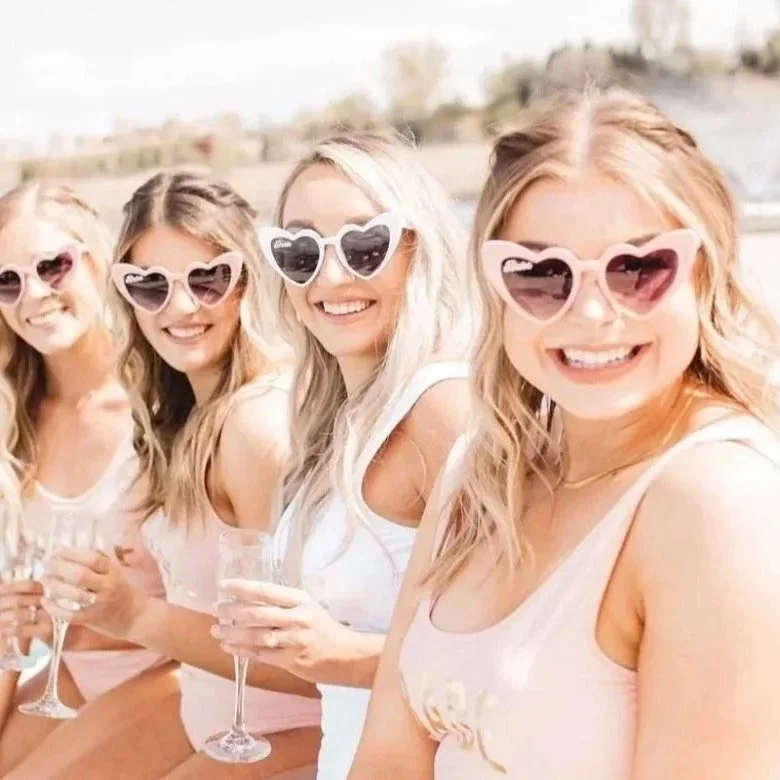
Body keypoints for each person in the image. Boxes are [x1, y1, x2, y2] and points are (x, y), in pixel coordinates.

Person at [349, 87, 780, 779]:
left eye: (639, 268)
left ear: (705, 271)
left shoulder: (715, 505)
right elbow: (387, 760)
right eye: (540, 273)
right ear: (497, 290)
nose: (590, 312)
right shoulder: (478, 471)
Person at [39, 172, 322, 778]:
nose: (181, 306)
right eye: (150, 286)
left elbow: (315, 667)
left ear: (248, 279)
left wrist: (133, 614)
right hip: (206, 721)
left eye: (208, 278)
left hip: (279, 742)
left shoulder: (255, 426)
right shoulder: (190, 416)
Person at [212, 130, 473, 779]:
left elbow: (526, 658)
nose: (330, 277)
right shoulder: (336, 422)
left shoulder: (442, 409)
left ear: (416, 248)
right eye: (300, 252)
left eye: (363, 246)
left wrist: (341, 654)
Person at [0, 183, 177, 776]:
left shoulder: (161, 404)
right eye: (8, 282)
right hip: (66, 670)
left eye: (52, 266)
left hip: (167, 671)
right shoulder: (15, 422)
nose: (34, 295)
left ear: (97, 260)